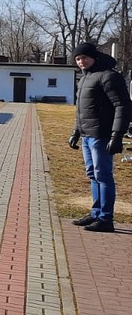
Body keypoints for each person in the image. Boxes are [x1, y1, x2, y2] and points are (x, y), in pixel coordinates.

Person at [69, 41, 130, 233]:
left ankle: (106, 218)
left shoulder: (109, 76)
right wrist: (76, 132)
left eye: (84, 58)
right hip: (87, 135)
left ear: (94, 57)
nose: (81, 62)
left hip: (102, 135)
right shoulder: (84, 78)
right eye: (78, 59)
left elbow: (122, 106)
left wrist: (117, 135)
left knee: (103, 176)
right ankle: (96, 213)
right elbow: (82, 110)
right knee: (93, 175)